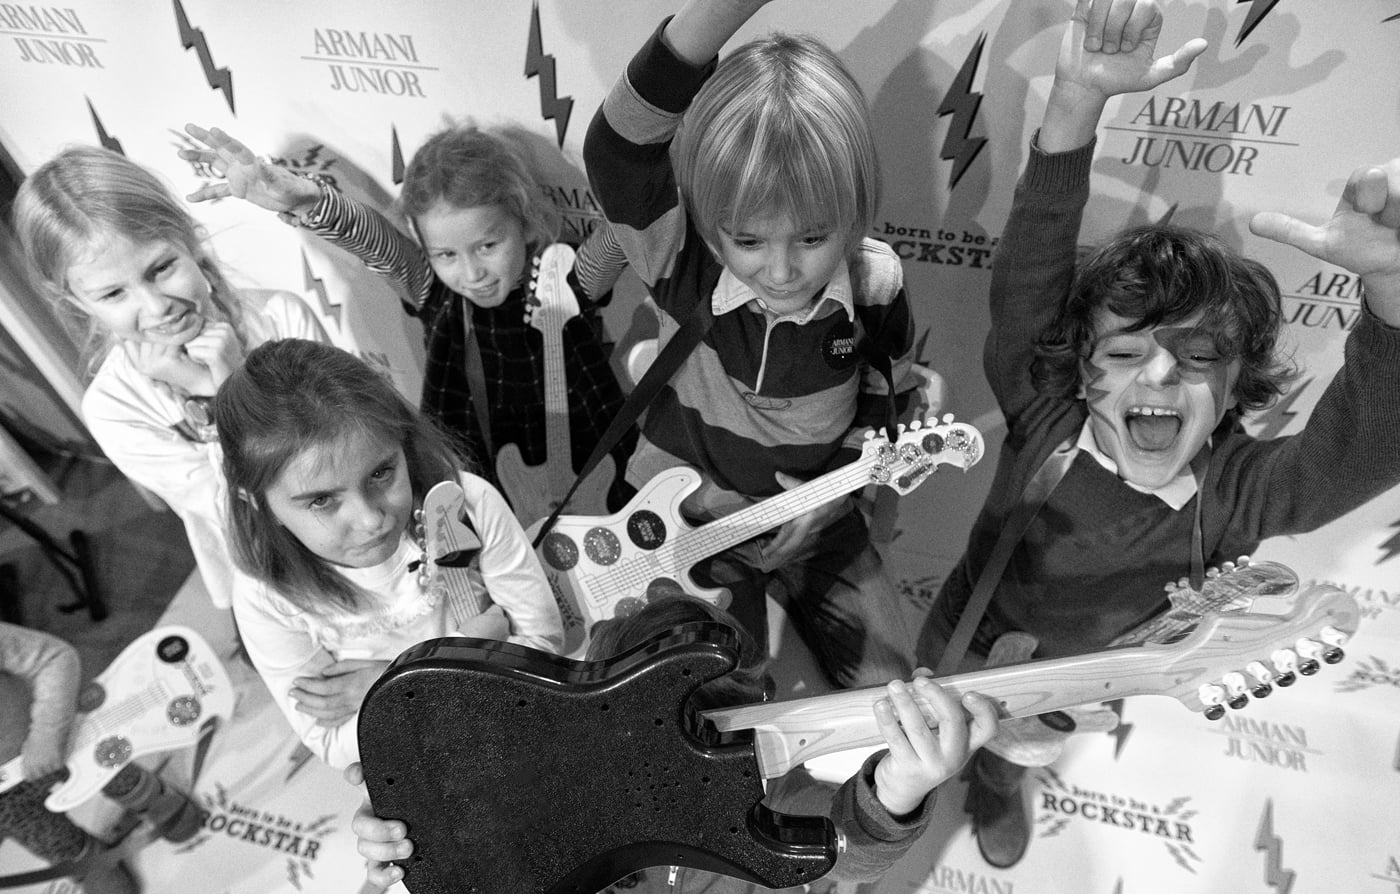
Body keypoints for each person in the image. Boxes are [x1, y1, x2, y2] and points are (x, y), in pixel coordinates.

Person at [915, 0, 1400, 869]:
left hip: (1093, 674)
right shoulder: (1047, 412)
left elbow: (1366, 444)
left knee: (1019, 748)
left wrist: (1396, 304)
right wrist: (1072, 105)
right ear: (1078, 360)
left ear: (1237, 383)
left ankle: (1000, 782)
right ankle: (960, 784)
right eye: (1128, 348)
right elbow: (1029, 272)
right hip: (968, 630)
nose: (1160, 376)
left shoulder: (1243, 492)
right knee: (932, 745)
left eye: (1199, 355)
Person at [581, 0, 932, 690]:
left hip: (821, 518)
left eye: (811, 238)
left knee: (893, 697)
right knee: (683, 697)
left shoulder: (875, 281)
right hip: (681, 520)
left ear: (855, 211)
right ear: (712, 229)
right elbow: (615, 153)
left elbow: (885, 402)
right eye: (747, 241)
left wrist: (831, 501)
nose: (780, 272)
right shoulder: (682, 264)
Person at [346, 595, 1000, 892]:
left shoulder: (768, 810)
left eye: (715, 728)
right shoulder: (539, 812)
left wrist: (900, 787)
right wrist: (418, 846)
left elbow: (843, 855)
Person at [178, 121, 638, 519]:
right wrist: (304, 200)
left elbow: (626, 227)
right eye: (446, 254)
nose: (472, 273)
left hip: (595, 476)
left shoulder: (566, 279)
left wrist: (653, 164)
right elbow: (372, 239)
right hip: (480, 486)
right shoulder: (432, 290)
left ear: (526, 223)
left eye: (488, 246)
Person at [213, 338, 563, 770]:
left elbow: (546, 648)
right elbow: (336, 745)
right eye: (321, 500)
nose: (371, 520)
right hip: (429, 771)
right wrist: (480, 641)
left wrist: (388, 681)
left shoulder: (466, 504)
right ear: (257, 502)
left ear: (403, 441)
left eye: (381, 472)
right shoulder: (267, 594)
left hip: (535, 730)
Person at [11, 146, 331, 612]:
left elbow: (336, 451)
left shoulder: (282, 318)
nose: (157, 306)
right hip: (269, 575)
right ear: (80, 304)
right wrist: (216, 392)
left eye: (161, 269)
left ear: (190, 242)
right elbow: (237, 510)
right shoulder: (113, 407)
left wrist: (230, 381)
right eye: (114, 293)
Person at [0, 621, 137, 894]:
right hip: (6, 801)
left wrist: (46, 734)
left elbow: (55, 657)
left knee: (116, 775)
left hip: (55, 741)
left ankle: (157, 800)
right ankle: (87, 863)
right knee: (48, 836)